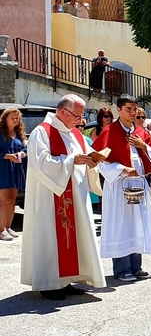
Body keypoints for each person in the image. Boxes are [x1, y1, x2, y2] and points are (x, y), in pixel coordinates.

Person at [20, 94, 106, 299]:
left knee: (73, 237)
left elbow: (82, 157)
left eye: (81, 115)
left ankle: (66, 279)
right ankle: (49, 284)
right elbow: (40, 163)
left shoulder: (75, 134)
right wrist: (71, 161)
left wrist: (92, 161)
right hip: (50, 196)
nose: (80, 120)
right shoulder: (42, 132)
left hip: (76, 196)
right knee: (51, 236)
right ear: (62, 112)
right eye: (77, 115)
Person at [93, 94, 151, 283]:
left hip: (138, 184)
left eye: (135, 109)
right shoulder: (109, 131)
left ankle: (136, 267)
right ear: (118, 110)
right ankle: (122, 269)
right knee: (121, 226)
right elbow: (100, 160)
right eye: (128, 109)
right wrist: (122, 169)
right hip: (119, 185)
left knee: (137, 225)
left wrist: (143, 145)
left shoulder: (141, 132)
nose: (132, 112)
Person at [0, 108, 26, 241]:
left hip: (16, 169)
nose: (15, 120)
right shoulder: (0, 133)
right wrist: (8, 156)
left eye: (17, 118)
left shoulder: (19, 133)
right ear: (5, 118)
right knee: (4, 200)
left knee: (12, 200)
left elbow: (24, 148)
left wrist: (22, 153)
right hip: (3, 169)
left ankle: (8, 226)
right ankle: (1, 230)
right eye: (12, 118)